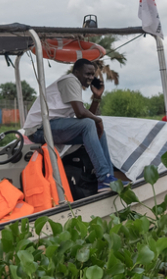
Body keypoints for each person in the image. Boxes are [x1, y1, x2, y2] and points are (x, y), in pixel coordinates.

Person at [22, 58, 117, 191]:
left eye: (92, 74)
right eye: (87, 74)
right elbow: (80, 113)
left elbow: (85, 116)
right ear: (77, 72)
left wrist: (96, 97)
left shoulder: (74, 85)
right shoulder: (70, 80)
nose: (90, 77)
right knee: (92, 124)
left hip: (52, 126)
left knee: (96, 129)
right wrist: (98, 120)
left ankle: (108, 179)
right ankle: (103, 177)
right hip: (38, 129)